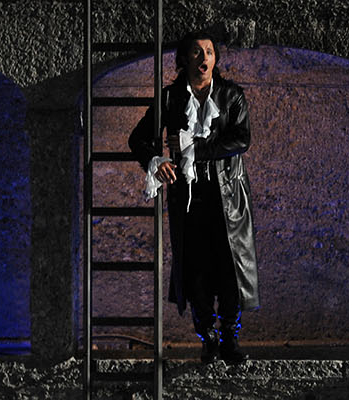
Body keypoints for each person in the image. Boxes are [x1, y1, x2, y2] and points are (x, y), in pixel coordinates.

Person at [128, 31, 257, 364]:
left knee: (230, 270)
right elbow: (138, 138)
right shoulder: (170, 98)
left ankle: (230, 339)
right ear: (184, 59)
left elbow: (241, 139)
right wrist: (156, 160)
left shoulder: (231, 95)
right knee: (196, 273)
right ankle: (208, 338)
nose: (204, 58)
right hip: (189, 198)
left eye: (210, 52)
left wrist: (196, 149)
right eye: (197, 52)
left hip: (228, 198)